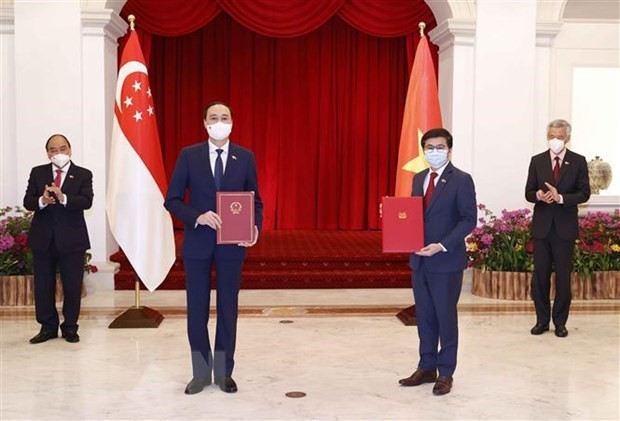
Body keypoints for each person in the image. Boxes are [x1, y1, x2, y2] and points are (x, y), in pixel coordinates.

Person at [164, 101, 263, 395]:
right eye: (214, 117)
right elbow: (172, 199)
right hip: (197, 244)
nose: (220, 121)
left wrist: (254, 227)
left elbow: (255, 199)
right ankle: (200, 372)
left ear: (233, 121)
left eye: (225, 117)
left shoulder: (244, 157)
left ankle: (223, 372)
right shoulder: (189, 155)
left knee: (228, 309)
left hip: (232, 245)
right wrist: (198, 216)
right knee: (197, 310)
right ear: (204, 122)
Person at [398, 128, 477, 396]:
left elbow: (468, 219)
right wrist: (393, 214)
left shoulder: (462, 180)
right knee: (426, 317)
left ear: (449, 150)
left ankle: (445, 372)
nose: (434, 151)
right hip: (419, 260)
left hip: (445, 260)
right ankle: (426, 366)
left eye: (439, 147)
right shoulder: (419, 178)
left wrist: (441, 245)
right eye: (429, 147)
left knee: (445, 317)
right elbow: (413, 215)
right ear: (423, 151)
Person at [23, 134, 93, 344]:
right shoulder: (38, 173)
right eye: (53, 150)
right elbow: (28, 201)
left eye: (62, 148)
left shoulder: (82, 174)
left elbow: (87, 201)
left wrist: (63, 197)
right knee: (43, 285)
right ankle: (47, 327)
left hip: (72, 239)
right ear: (48, 153)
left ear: (70, 149)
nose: (58, 153)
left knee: (72, 285)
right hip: (43, 238)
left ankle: (70, 327)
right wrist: (42, 201)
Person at [525, 119, 590, 338]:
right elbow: (528, 192)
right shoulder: (537, 161)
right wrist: (538, 196)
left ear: (567, 138)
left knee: (563, 278)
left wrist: (561, 197)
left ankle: (560, 322)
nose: (555, 140)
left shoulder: (578, 161)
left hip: (564, 229)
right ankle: (541, 321)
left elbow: (584, 193)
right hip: (542, 228)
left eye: (559, 137)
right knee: (540, 277)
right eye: (552, 136)